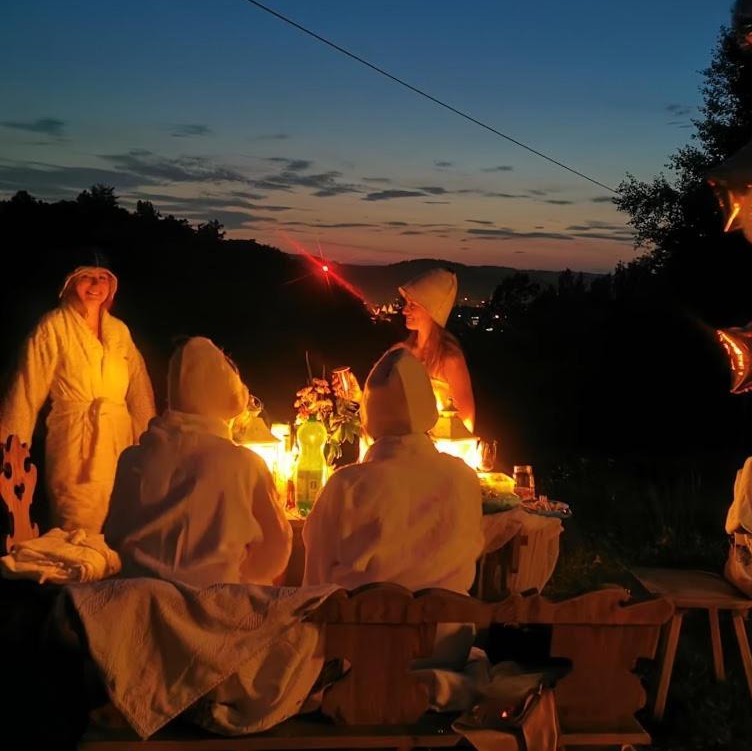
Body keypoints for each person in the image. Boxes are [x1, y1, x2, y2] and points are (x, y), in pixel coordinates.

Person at [302, 348, 484, 664]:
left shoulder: (347, 485)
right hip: (446, 648)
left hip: (360, 652)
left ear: (369, 416)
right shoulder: (464, 479)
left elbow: (315, 587)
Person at [104, 336, 293, 587]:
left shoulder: (130, 461)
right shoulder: (245, 465)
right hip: (219, 613)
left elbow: (112, 535)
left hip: (138, 609)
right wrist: (238, 577)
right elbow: (275, 553)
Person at [0, 251, 156, 533]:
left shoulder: (119, 332)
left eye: (102, 279)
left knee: (121, 524)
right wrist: (12, 452)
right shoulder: (53, 327)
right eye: (86, 277)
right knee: (77, 524)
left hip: (120, 446)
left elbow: (138, 390)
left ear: (112, 286)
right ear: (71, 282)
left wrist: (149, 444)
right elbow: (26, 387)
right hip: (76, 443)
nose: (95, 286)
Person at [397, 267, 475, 431]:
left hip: (434, 453)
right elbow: (386, 407)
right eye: (406, 304)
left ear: (431, 310)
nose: (404, 310)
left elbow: (466, 422)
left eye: (413, 305)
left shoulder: (449, 360)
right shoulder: (401, 352)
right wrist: (358, 395)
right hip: (402, 449)